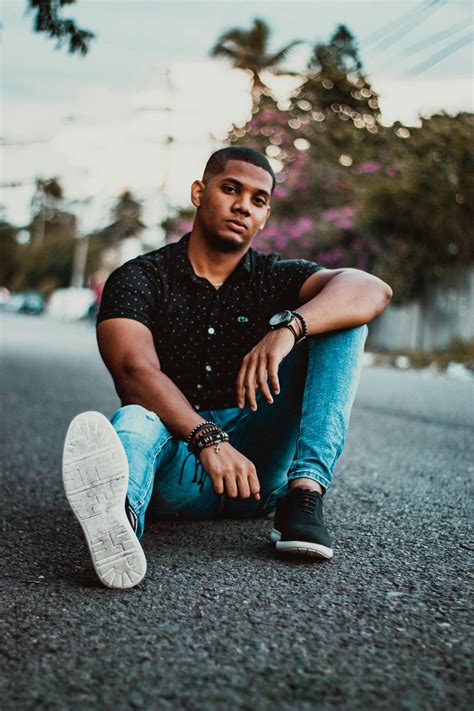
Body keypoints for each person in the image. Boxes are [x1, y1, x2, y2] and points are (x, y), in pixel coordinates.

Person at [62, 147, 392, 589]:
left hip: (258, 470)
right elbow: (132, 370)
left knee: (342, 321)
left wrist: (289, 328)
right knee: (135, 418)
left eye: (258, 199)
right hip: (175, 463)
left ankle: (305, 494)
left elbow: (371, 289)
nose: (243, 206)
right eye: (231, 189)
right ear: (200, 193)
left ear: (265, 215)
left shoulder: (276, 278)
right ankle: (118, 522)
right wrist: (207, 438)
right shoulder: (140, 278)